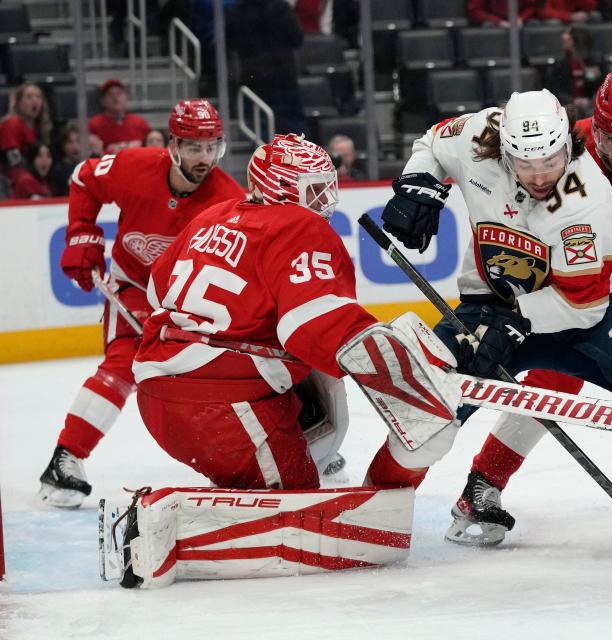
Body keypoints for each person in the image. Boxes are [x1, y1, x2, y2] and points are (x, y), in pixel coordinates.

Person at [116, 134, 471, 589]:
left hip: (162, 393)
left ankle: (249, 485)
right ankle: (167, 525)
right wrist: (396, 370)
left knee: (311, 394)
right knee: (306, 519)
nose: (325, 199)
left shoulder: (212, 214)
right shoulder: (300, 227)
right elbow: (314, 324)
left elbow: (158, 291)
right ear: (282, 188)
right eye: (313, 189)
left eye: (327, 186)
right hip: (222, 410)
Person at [381, 87, 612, 548]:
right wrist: (420, 183)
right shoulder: (479, 135)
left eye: (550, 161)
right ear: (503, 149)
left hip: (577, 310)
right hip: (488, 304)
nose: (540, 175)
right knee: (429, 401)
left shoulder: (587, 200)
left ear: (568, 143)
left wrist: (516, 321)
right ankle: (377, 504)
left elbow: (581, 303)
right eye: (525, 164)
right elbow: (433, 143)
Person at [38, 100, 247, 509]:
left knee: (213, 378)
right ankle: (65, 459)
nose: (204, 159)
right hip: (132, 284)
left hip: (183, 302)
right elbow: (83, 178)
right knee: (122, 362)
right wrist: (81, 233)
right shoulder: (133, 166)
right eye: (193, 148)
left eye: (211, 148)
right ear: (173, 144)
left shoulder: (227, 202)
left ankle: (278, 445)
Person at [226, 0, 308, 136]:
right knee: (294, 125)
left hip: (254, 79)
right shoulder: (281, 7)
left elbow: (230, 43)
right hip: (284, 77)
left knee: (261, 129)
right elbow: (297, 38)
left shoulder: (237, 12)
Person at [545, 24, 603, 114]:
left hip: (590, 105)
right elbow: (554, 90)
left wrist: (590, 100)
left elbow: (601, 88)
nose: (563, 37)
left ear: (577, 39)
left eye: (568, 34)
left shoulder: (595, 62)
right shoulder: (561, 64)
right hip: (567, 104)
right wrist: (572, 100)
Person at [0, 83, 51, 182]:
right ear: (18, 102)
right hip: (13, 180)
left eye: (38, 97)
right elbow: (13, 162)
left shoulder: (40, 128)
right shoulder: (12, 123)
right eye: (29, 97)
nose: (35, 100)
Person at [88, 79, 152, 155]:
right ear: (103, 101)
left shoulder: (140, 123)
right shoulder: (94, 125)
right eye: (110, 94)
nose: (115, 98)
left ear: (126, 98)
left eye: (119, 94)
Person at [468, 0, 536, 27]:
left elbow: (531, 6)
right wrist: (499, 22)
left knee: (534, 25)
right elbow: (474, 10)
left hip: (518, 21)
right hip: (493, 21)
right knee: (488, 26)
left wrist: (521, 18)